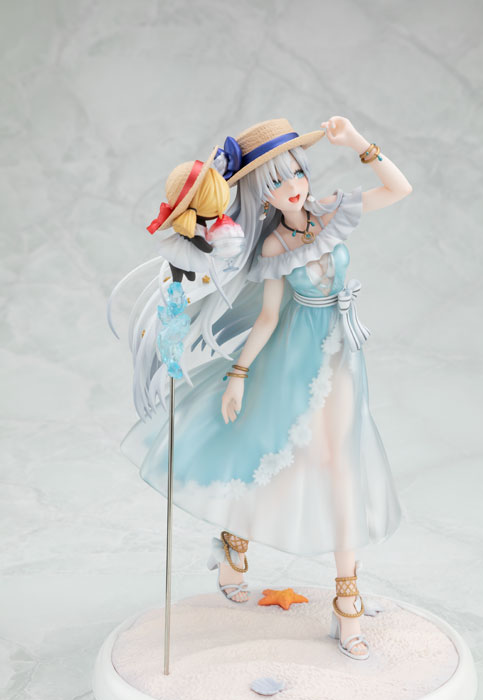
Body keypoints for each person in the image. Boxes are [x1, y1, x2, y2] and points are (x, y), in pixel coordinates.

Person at [110, 116, 413, 660]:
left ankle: (347, 601)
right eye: (275, 181)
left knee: (342, 464)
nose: (292, 186)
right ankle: (235, 544)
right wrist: (239, 374)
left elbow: (399, 188)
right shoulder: (273, 245)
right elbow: (269, 317)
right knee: (276, 455)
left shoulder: (331, 211)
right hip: (292, 358)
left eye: (296, 172)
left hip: (342, 357)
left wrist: (357, 142)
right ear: (260, 195)